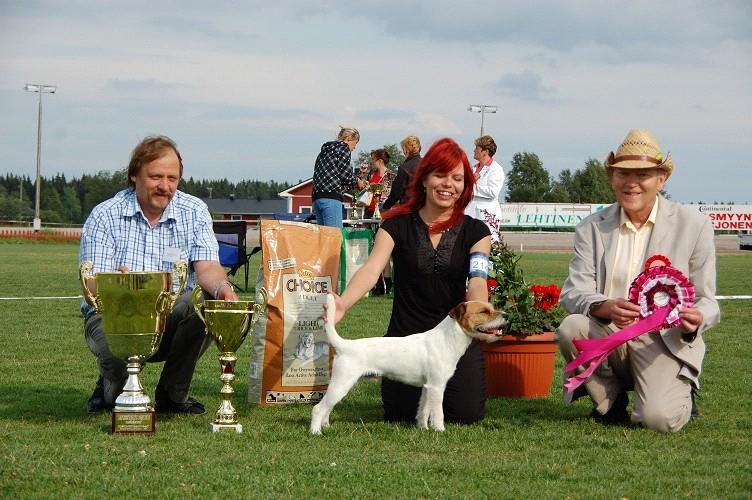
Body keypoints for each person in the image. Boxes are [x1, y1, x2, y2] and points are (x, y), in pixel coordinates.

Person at [556, 129, 720, 432]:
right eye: (623, 174)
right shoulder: (591, 227)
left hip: (664, 341)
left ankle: (678, 391)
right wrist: (604, 306)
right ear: (612, 177)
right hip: (610, 334)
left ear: (662, 179)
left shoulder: (694, 225)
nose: (631, 183)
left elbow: (708, 301)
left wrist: (697, 319)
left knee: (658, 420)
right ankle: (610, 403)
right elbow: (573, 292)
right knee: (571, 328)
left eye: (642, 174)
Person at [330, 137, 493, 424]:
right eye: (440, 175)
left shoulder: (476, 231)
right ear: (425, 178)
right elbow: (371, 271)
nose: (448, 184)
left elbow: (478, 279)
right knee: (400, 413)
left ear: (465, 186)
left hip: (454, 339)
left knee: (466, 413)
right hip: (404, 344)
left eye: (457, 178)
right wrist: (343, 303)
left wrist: (480, 313)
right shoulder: (395, 224)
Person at [80, 135, 239, 415]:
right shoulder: (105, 215)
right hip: (113, 314)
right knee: (115, 400)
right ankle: (111, 389)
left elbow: (208, 268)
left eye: (172, 178)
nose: (165, 186)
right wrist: (116, 284)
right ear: (133, 176)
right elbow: (91, 284)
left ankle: (173, 395)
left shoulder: (195, 211)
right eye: (155, 177)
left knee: (202, 303)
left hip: (169, 313)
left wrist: (223, 289)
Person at [312, 126, 365, 228]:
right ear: (349, 138)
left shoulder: (324, 152)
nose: (355, 147)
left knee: (323, 237)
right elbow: (345, 176)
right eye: (355, 143)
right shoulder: (343, 148)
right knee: (335, 236)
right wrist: (357, 181)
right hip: (331, 196)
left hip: (317, 197)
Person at [464, 135, 504, 238]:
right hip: (470, 214)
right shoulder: (472, 169)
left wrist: (472, 187)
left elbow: (493, 192)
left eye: (477, 148)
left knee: (491, 247)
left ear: (485, 152)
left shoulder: (496, 169)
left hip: (487, 217)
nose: (474, 150)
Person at [382, 135, 421, 210]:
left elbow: (395, 193)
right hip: (425, 211)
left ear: (407, 149)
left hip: (408, 210)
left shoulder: (404, 168)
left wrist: (385, 207)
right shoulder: (426, 165)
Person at [363, 148, 395, 219]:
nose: (372, 162)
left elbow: (391, 194)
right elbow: (362, 186)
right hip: (369, 211)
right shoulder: (371, 174)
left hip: (383, 212)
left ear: (380, 161)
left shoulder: (391, 175)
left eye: (373, 159)